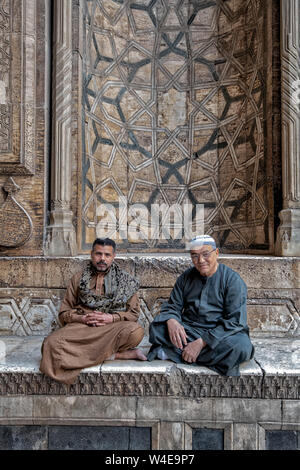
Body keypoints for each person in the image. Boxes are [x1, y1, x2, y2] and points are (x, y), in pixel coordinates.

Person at [40, 238, 146, 384]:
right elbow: (64, 313)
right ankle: (118, 355)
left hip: (110, 328)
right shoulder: (78, 279)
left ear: (113, 256)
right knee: (50, 344)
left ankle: (83, 355)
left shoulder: (125, 281)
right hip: (83, 328)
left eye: (107, 255)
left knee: (135, 332)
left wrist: (111, 318)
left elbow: (133, 314)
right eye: (98, 254)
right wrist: (82, 319)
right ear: (91, 254)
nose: (102, 259)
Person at [147, 235, 254, 376]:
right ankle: (208, 357)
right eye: (195, 256)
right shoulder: (186, 277)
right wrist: (172, 320)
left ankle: (173, 352)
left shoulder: (232, 280)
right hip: (191, 330)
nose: (201, 260)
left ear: (216, 253)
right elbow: (173, 306)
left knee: (241, 346)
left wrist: (201, 343)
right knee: (158, 328)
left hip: (220, 334)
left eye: (205, 254)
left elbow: (234, 322)